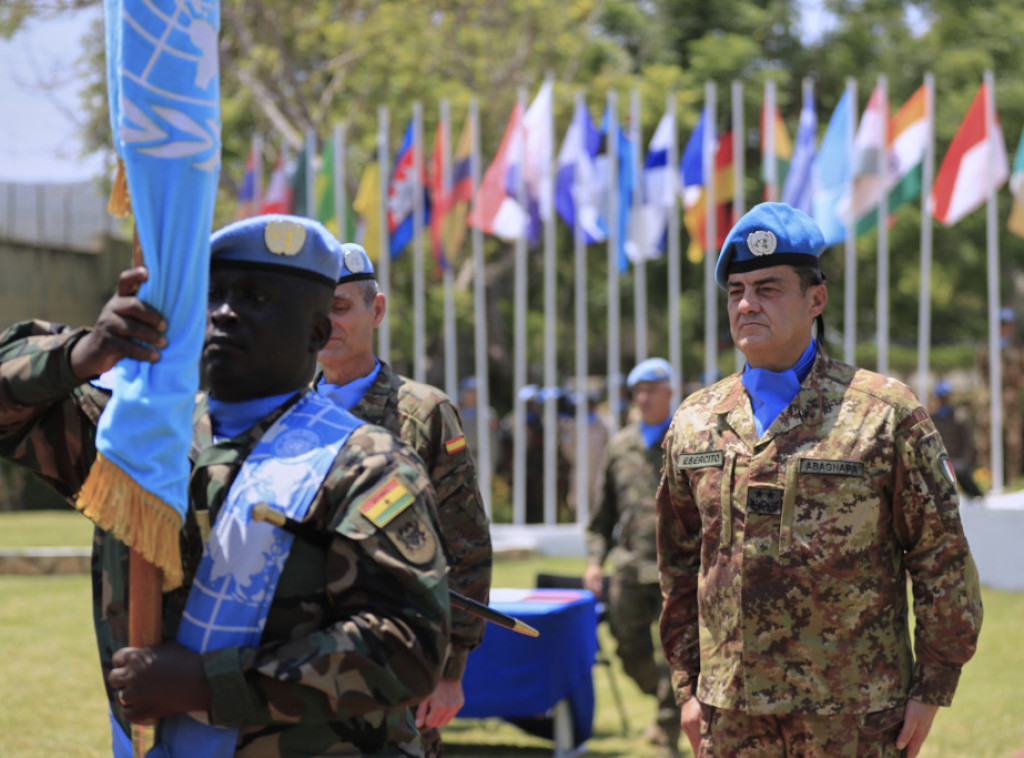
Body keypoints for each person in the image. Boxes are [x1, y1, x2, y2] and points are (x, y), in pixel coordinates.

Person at [0, 215, 451, 756]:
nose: (225, 314)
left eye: (257, 298)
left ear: (316, 332)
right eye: (212, 296)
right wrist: (83, 352)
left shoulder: (367, 465)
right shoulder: (138, 439)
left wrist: (210, 684)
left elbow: (408, 644)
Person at [657, 202, 983, 758]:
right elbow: (681, 563)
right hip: (730, 714)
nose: (747, 304)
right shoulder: (694, 422)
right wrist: (689, 688)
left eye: (768, 288)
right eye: (735, 290)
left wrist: (933, 686)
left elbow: (940, 557)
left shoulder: (885, 413)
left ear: (816, 299)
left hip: (853, 712)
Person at [314, 243, 492, 758]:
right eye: (317, 309)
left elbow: (468, 546)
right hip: (298, 673)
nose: (328, 322)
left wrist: (451, 670)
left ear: (378, 310)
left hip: (397, 673)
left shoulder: (423, 414)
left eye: (342, 307)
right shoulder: (285, 413)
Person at [584, 358, 681, 758]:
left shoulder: (685, 438)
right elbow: (602, 513)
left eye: (652, 389)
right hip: (628, 566)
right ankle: (662, 703)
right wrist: (594, 560)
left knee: (675, 655)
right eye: (638, 390)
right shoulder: (621, 444)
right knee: (628, 649)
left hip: (675, 569)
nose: (643, 397)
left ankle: (669, 731)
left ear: (669, 393)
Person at [974, 306, 1024, 484]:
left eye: (1008, 323)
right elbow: (980, 373)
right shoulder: (987, 348)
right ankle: (988, 477)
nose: (1005, 327)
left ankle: (1011, 479)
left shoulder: (1018, 348)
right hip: (991, 397)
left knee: (1013, 441)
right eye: (1002, 323)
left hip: (1010, 398)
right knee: (986, 439)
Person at [931, 380, 983, 499]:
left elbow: (967, 439)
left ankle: (977, 496)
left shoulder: (960, 415)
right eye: (941, 396)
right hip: (942, 459)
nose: (944, 399)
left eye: (946, 396)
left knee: (964, 478)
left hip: (959, 459)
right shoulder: (933, 417)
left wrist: (966, 458)